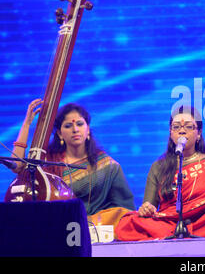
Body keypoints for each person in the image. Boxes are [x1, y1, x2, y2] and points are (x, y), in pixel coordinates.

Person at [115, 106, 205, 240]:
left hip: (204, 222)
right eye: (176, 127)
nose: (182, 131)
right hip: (169, 224)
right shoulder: (158, 166)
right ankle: (174, 237)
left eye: (189, 127)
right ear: (170, 132)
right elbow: (149, 208)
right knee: (127, 223)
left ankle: (177, 239)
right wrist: (146, 209)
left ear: (199, 133)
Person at [10, 98, 135, 228]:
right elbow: (17, 166)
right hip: (58, 228)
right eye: (68, 126)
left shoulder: (107, 165)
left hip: (98, 230)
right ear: (59, 133)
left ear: (88, 130)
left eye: (80, 124)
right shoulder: (48, 162)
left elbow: (124, 207)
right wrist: (26, 124)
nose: (75, 129)